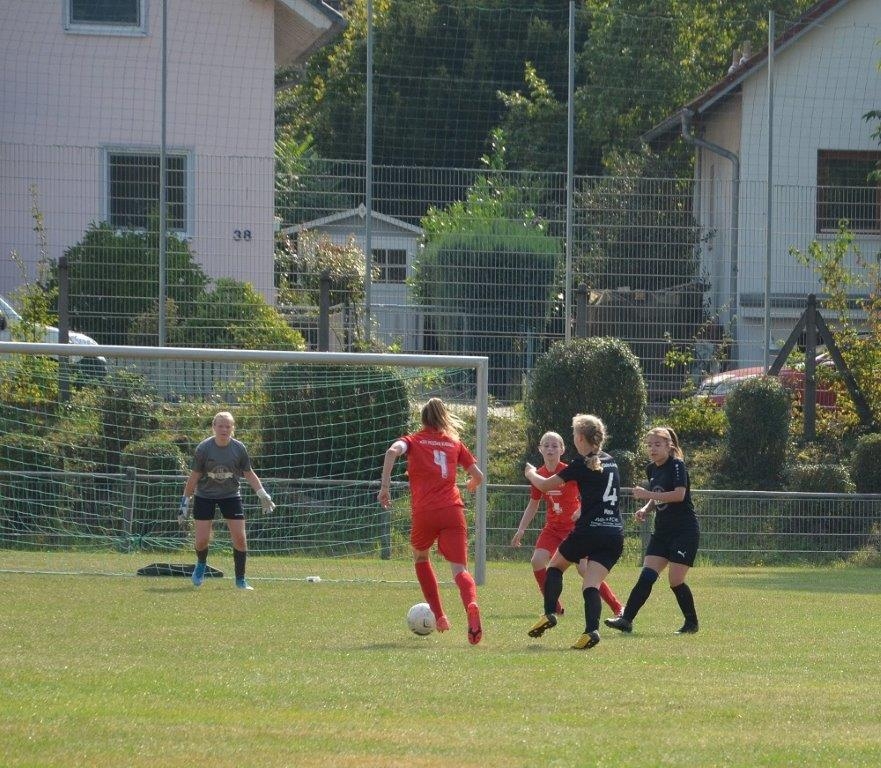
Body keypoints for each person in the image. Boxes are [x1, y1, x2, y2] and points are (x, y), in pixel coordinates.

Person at [378, 397, 485, 645]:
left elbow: (392, 452)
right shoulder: (454, 443)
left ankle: (439, 617)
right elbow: (478, 475)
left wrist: (385, 487)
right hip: (452, 510)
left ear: (423, 419)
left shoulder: (413, 440)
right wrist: (471, 484)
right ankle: (471, 603)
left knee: (421, 557)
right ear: (443, 417)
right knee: (460, 570)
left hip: (425, 512)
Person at [524, 414, 624, 650]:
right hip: (614, 533)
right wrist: (583, 509)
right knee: (590, 584)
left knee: (555, 568)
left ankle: (549, 613)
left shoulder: (582, 463)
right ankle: (591, 632)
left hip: (590, 532)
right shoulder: (611, 461)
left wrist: (530, 473)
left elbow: (545, 484)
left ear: (579, 438)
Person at [605, 426, 700, 634]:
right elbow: (657, 495)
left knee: (675, 581)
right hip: (662, 532)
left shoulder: (677, 465)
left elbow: (678, 495)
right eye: (649, 445)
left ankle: (692, 623)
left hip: (684, 531)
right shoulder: (652, 469)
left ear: (669, 446)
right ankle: (626, 620)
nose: (652, 449)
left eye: (657, 444)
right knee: (647, 575)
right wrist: (646, 508)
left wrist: (647, 494)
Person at [178, 411, 275, 590]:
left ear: (233, 428)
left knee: (240, 538)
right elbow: (194, 477)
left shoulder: (239, 448)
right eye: (220, 425)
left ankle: (240, 581)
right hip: (204, 496)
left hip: (230, 495)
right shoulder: (203, 448)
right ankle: (201, 564)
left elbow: (249, 473)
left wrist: (262, 494)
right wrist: (185, 502)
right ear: (213, 427)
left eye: (228, 426)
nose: (224, 429)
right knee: (201, 541)